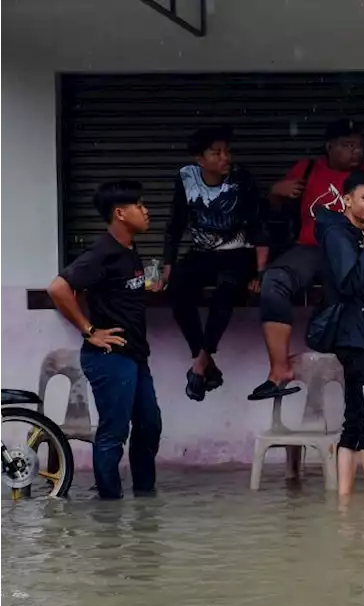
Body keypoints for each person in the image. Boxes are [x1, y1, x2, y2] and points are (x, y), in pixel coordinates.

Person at [253, 118, 364, 401]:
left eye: (359, 146)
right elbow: (274, 212)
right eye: (348, 145)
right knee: (274, 280)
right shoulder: (308, 168)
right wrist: (276, 192)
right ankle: (279, 371)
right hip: (312, 248)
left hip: (362, 246)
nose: (356, 152)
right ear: (329, 146)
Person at [46, 181, 163, 500]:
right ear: (120, 213)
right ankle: (109, 507)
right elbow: (58, 288)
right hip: (110, 357)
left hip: (136, 354)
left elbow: (119, 291)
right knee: (114, 433)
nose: (146, 210)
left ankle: (144, 500)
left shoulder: (128, 249)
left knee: (149, 426)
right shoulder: (102, 252)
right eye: (139, 205)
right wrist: (89, 330)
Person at [161, 126, 268, 401]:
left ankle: (199, 365)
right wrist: (168, 266)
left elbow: (257, 225)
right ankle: (205, 360)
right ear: (200, 159)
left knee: (227, 290)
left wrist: (260, 271)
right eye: (217, 152)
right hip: (202, 252)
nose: (225, 157)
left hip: (238, 253)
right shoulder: (186, 178)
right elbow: (175, 224)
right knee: (177, 289)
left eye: (227, 151)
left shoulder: (241, 178)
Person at [314, 170, 364, 496]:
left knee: (354, 424)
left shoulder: (351, 233)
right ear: (346, 199)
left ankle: (343, 507)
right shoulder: (340, 234)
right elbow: (349, 285)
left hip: (360, 337)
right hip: (357, 339)